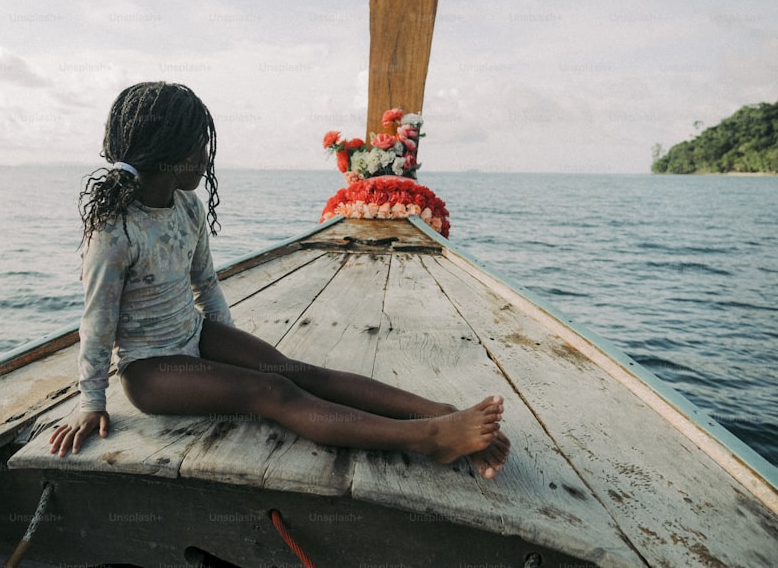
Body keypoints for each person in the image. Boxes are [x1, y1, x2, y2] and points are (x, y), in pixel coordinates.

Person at [49, 82, 510, 479]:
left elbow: (205, 284)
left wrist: (226, 346)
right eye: (196, 146)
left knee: (298, 372)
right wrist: (91, 402)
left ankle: (441, 414)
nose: (205, 157)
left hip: (194, 334)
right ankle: (429, 438)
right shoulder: (116, 230)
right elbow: (97, 321)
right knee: (271, 392)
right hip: (151, 371)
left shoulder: (185, 207)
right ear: (165, 153)